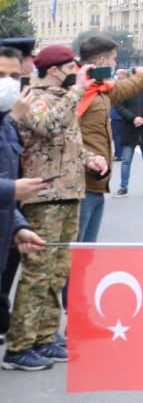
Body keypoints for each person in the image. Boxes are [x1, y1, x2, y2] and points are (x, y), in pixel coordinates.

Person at [3, 45, 98, 371]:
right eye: (72, 65)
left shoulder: (63, 96)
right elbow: (46, 127)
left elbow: (69, 143)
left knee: (57, 272)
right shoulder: (37, 96)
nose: (78, 71)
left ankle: (44, 337)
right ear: (56, 69)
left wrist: (90, 159)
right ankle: (19, 345)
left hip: (68, 193)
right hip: (44, 196)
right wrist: (75, 93)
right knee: (37, 273)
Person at [74, 38, 143, 244]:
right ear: (102, 60)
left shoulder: (99, 88)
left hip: (96, 181)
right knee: (75, 252)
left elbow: (125, 88)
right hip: (78, 182)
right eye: (113, 59)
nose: (115, 64)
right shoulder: (75, 90)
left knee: (85, 252)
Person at [0, 46, 47, 349]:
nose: (8, 82)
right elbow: (8, 187)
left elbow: (7, 180)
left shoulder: (6, 123)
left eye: (14, 76)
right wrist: (11, 191)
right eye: (1, 75)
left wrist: (17, 227)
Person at [115, 80, 143, 197]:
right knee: (126, 161)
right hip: (130, 128)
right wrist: (133, 118)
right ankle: (123, 188)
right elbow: (119, 106)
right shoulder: (125, 90)